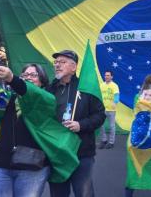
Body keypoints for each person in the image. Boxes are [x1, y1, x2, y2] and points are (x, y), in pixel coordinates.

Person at [0, 49, 81, 197]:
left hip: (31, 169)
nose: (28, 77)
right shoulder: (8, 99)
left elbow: (31, 93)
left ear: (42, 79)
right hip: (1, 167)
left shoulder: (46, 99)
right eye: (25, 75)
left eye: (33, 75)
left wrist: (12, 78)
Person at [48, 50, 106, 197]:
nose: (57, 65)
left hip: (81, 152)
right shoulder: (49, 89)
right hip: (57, 153)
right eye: (56, 62)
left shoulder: (86, 88)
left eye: (62, 62)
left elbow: (100, 115)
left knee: (84, 193)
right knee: (58, 193)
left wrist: (81, 125)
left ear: (73, 68)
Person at [125, 75, 151, 197]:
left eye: (150, 95)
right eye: (146, 95)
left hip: (144, 141)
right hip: (148, 140)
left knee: (137, 166)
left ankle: (129, 192)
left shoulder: (140, 98)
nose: (147, 98)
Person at [98, 70, 120, 149]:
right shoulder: (102, 85)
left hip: (111, 110)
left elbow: (117, 96)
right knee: (100, 124)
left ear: (111, 76)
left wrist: (115, 102)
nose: (106, 77)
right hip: (102, 109)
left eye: (108, 75)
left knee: (111, 126)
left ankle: (111, 142)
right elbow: (99, 95)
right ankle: (104, 140)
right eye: (105, 75)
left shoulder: (114, 85)